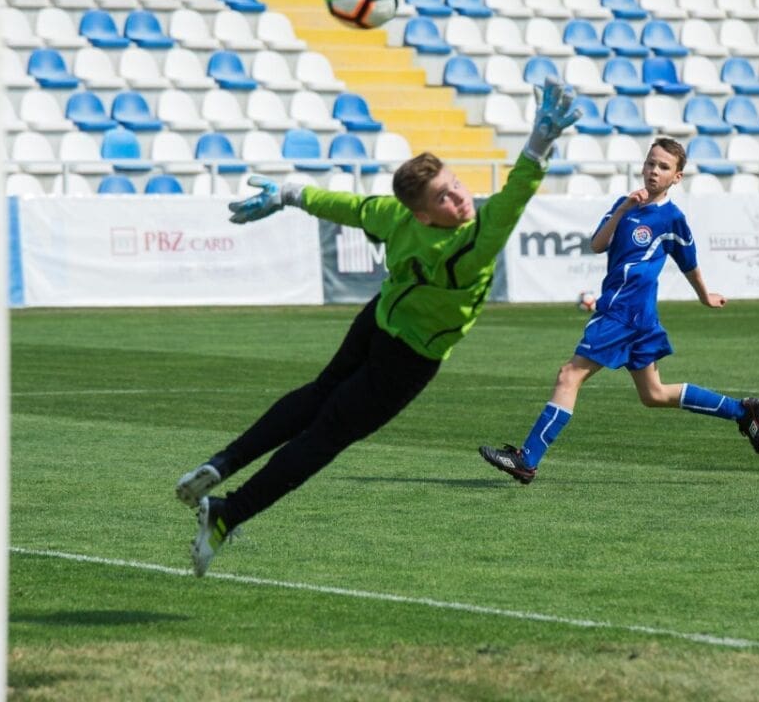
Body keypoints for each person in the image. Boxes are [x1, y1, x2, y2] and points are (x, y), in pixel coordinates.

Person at [175, 80, 582, 576]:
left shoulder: (398, 217)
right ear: (423, 212)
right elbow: (519, 190)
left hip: (378, 319)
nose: (460, 199)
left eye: (456, 186)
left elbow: (347, 207)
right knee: (325, 437)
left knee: (320, 392)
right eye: (445, 197)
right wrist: (539, 143)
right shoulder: (473, 242)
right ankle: (226, 510)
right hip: (407, 358)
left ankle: (221, 464)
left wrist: (286, 193)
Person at [479, 138, 759, 485]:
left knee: (569, 375)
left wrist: (705, 295)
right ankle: (741, 411)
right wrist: (623, 209)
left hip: (623, 311)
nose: (653, 171)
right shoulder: (625, 204)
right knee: (654, 395)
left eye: (663, 167)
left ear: (677, 177)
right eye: (650, 163)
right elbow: (597, 244)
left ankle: (526, 459)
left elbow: (688, 261)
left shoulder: (673, 218)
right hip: (636, 315)